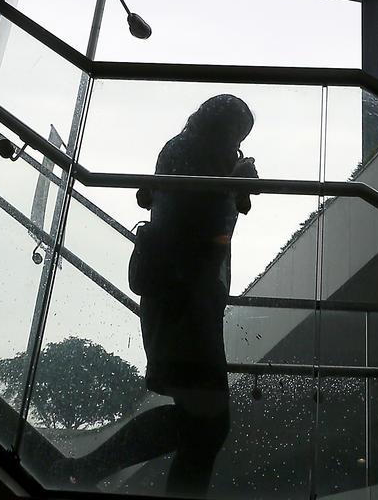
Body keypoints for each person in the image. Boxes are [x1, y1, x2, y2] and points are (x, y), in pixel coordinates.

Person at [64, 94, 258, 495]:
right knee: (207, 424)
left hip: (180, 300)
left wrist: (233, 183)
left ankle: (86, 469)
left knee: (200, 423)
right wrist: (233, 181)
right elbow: (193, 223)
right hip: (183, 301)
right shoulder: (192, 153)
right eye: (237, 133)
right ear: (223, 130)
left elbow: (185, 212)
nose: (238, 142)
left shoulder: (182, 150)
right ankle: (85, 469)